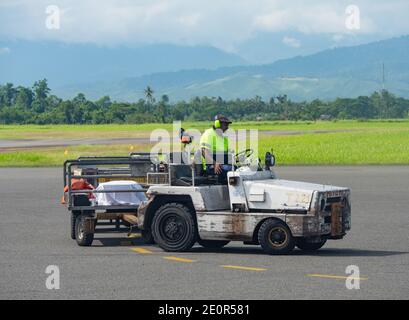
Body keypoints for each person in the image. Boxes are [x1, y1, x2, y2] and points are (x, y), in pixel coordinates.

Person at [199, 114, 233, 182]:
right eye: (225, 125)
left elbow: (227, 155)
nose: (227, 127)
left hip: (223, 165)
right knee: (229, 171)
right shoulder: (209, 134)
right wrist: (214, 163)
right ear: (217, 124)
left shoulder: (224, 138)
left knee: (239, 170)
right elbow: (204, 152)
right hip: (210, 166)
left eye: (228, 125)